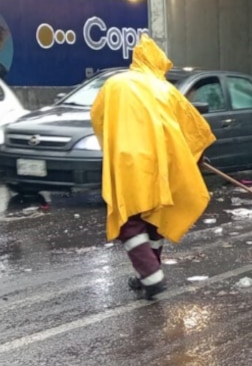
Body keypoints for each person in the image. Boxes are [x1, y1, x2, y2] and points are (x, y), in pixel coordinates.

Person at [90, 34, 216, 300]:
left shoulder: (115, 84)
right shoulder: (165, 89)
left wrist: (110, 146)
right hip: (161, 163)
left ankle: (152, 277)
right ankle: (149, 273)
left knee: (129, 219)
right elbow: (196, 129)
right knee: (153, 217)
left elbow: (98, 118)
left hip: (128, 162)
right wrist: (196, 157)